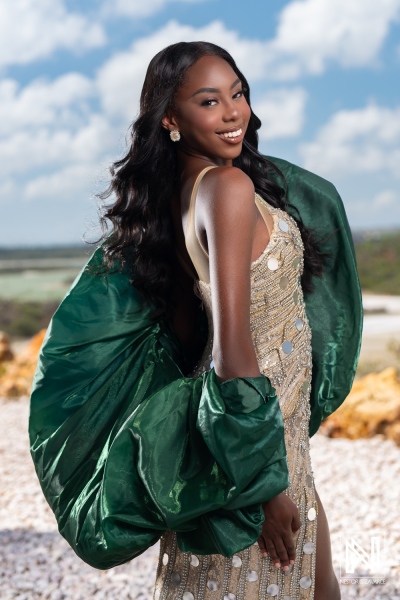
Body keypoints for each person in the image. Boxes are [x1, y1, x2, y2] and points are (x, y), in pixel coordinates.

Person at [29, 42, 362, 600]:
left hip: (262, 444)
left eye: (238, 94)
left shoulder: (185, 193)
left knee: (316, 587)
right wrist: (262, 489)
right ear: (170, 118)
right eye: (209, 101)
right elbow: (230, 355)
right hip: (254, 450)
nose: (234, 113)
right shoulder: (225, 189)